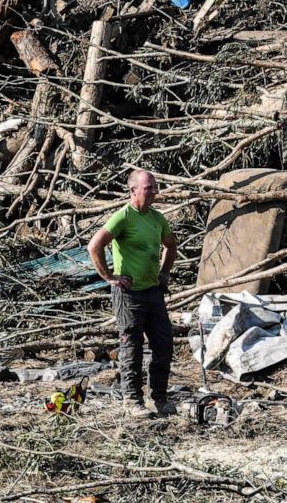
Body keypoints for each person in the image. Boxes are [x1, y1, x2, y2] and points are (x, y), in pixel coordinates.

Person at [88, 169, 177, 418]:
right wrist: (109, 277)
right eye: (148, 188)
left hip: (153, 292)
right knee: (131, 347)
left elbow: (171, 245)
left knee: (163, 344)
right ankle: (132, 400)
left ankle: (159, 398)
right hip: (129, 295)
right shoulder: (122, 217)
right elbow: (94, 246)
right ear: (133, 190)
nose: (153, 192)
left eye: (154, 187)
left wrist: (164, 274)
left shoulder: (157, 218)